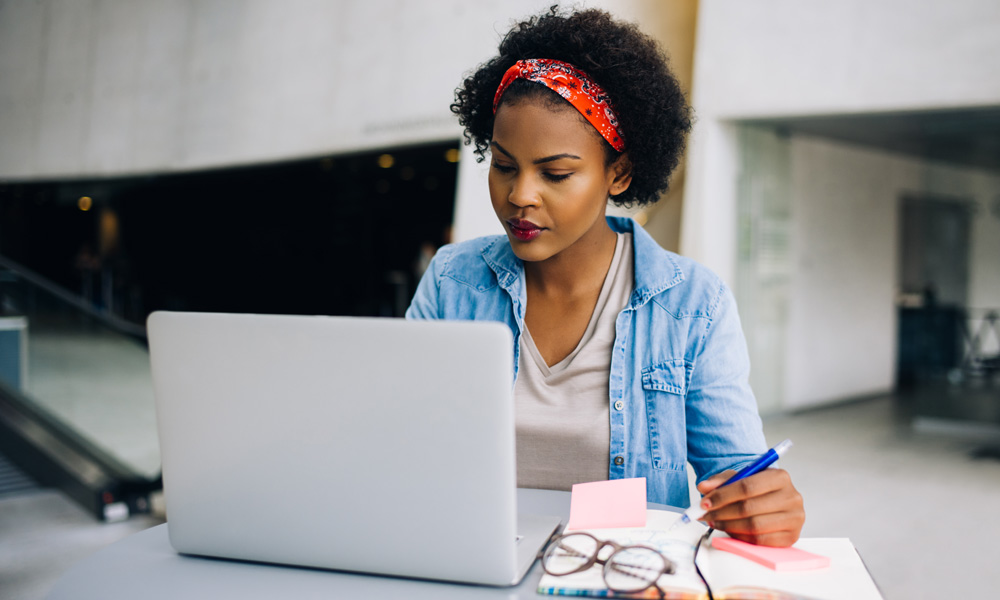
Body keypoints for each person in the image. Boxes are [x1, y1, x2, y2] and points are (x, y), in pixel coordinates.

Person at [406, 7, 804, 547]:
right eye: (503, 165)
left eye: (556, 173)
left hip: (620, 569)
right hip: (467, 554)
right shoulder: (454, 280)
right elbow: (403, 439)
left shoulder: (691, 304)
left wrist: (762, 506)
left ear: (617, 173)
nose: (520, 194)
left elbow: (739, 480)